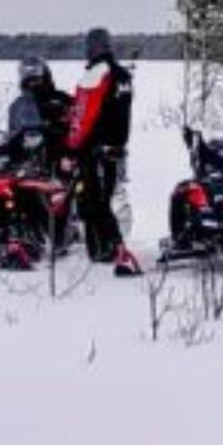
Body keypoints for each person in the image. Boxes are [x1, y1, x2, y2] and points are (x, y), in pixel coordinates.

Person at [65, 26, 140, 276]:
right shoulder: (123, 76)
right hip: (115, 148)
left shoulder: (96, 75)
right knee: (102, 199)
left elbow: (82, 116)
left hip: (94, 149)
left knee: (94, 202)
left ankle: (116, 249)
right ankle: (101, 249)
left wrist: (72, 149)